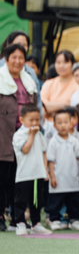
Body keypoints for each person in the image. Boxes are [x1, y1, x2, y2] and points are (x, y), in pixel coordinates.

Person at [0, 44, 38, 232]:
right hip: (3, 135)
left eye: (21, 58)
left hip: (25, 136)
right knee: (3, 178)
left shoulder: (29, 80)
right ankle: (1, 217)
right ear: (5, 59)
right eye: (13, 57)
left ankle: (18, 219)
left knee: (21, 179)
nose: (17, 61)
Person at [46, 109, 79, 231]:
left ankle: (74, 220)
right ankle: (54, 220)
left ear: (71, 123)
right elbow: (50, 160)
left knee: (74, 202)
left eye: (66, 122)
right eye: (59, 123)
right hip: (58, 179)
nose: (63, 125)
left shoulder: (74, 140)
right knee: (55, 202)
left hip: (73, 179)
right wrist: (52, 176)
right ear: (54, 125)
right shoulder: (53, 142)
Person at [12, 103, 51, 235]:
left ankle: (36, 224)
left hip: (37, 173)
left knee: (37, 201)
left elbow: (44, 151)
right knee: (21, 200)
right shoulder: (19, 135)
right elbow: (25, 149)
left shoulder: (39, 134)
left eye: (37, 119)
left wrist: (45, 170)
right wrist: (32, 135)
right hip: (24, 174)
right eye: (31, 120)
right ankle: (20, 223)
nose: (35, 122)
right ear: (22, 120)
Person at [0, 31, 42, 110]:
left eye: (24, 45)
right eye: (17, 43)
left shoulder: (30, 73)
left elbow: (38, 101)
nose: (20, 47)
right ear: (8, 45)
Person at [41, 50, 79, 122]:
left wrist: (51, 108)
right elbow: (43, 106)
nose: (61, 66)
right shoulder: (48, 84)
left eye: (65, 62)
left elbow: (76, 110)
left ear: (73, 64)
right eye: (58, 62)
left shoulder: (78, 84)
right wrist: (66, 104)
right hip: (48, 127)